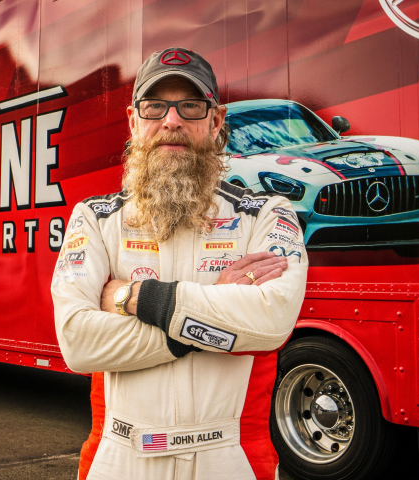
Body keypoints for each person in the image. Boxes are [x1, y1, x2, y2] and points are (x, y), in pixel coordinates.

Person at [50, 47, 308, 480]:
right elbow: (77, 343)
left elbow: (272, 322)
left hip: (224, 456)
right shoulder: (94, 218)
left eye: (190, 105)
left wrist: (134, 297)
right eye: (156, 107)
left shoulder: (266, 213)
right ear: (134, 121)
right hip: (121, 453)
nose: (172, 121)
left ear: (216, 120)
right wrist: (207, 320)